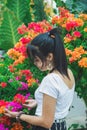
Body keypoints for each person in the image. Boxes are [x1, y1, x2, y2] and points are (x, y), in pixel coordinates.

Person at [4, 28, 75, 130]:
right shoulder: (68, 73)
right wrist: (39, 101)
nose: (35, 63)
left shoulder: (51, 80)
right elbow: (60, 98)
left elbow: (46, 122)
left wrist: (18, 115)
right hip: (60, 126)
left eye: (37, 59)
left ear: (50, 56)